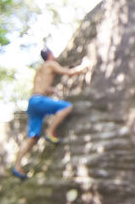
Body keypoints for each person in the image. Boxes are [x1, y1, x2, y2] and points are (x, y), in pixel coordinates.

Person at [10, 47, 90, 180]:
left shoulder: (40, 70)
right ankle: (50, 132)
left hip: (32, 102)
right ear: (51, 54)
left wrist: (52, 90)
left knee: (32, 137)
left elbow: (43, 87)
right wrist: (83, 66)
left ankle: (17, 166)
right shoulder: (51, 64)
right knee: (67, 107)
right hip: (39, 101)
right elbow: (69, 73)